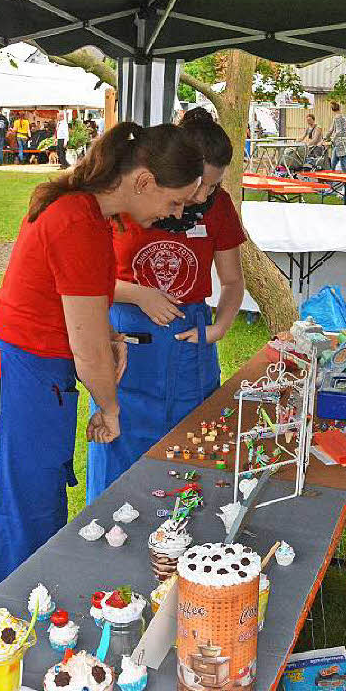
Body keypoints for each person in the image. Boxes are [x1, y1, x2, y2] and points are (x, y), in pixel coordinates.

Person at [0, 122, 203, 600]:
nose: (176, 214)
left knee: (12, 512)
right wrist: (109, 409)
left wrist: (109, 334)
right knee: (24, 518)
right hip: (8, 379)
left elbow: (77, 301)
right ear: (143, 180)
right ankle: (12, 627)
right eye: (174, 203)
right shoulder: (78, 222)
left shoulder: (87, 214)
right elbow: (86, 352)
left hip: (11, 376)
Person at [86, 107, 245, 503]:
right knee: (119, 449)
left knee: (192, 447)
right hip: (128, 335)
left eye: (211, 187)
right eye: (197, 186)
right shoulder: (124, 203)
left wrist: (218, 328)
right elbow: (87, 281)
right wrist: (140, 294)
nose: (201, 196)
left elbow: (232, 280)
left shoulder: (218, 206)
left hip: (189, 342)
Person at [324, 101, 346, 172]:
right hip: (341, 143)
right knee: (334, 163)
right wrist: (326, 138)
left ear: (332, 109)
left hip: (340, 143)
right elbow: (331, 130)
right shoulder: (341, 116)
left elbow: (337, 131)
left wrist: (331, 140)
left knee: (343, 164)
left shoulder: (338, 117)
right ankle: (331, 180)